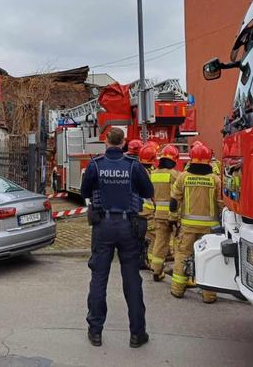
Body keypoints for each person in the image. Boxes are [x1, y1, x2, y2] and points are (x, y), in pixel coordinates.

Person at [81, 127, 154, 348]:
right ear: (123, 143)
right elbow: (147, 189)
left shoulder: (95, 165)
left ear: (105, 141)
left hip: (102, 225)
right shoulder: (133, 165)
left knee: (99, 278)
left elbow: (85, 192)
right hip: (128, 226)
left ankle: (95, 332)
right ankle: (137, 334)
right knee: (132, 279)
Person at [169, 142, 222, 303]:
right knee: (209, 258)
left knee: (183, 255)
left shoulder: (183, 177)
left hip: (188, 227)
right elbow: (221, 203)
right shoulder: (216, 179)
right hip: (210, 229)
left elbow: (174, 200)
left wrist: (172, 219)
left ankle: (177, 290)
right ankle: (209, 295)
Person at [148, 145, 181, 281]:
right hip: (173, 215)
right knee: (179, 243)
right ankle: (179, 272)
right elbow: (179, 195)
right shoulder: (175, 175)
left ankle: (156, 270)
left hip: (158, 215)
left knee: (160, 242)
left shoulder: (153, 174)